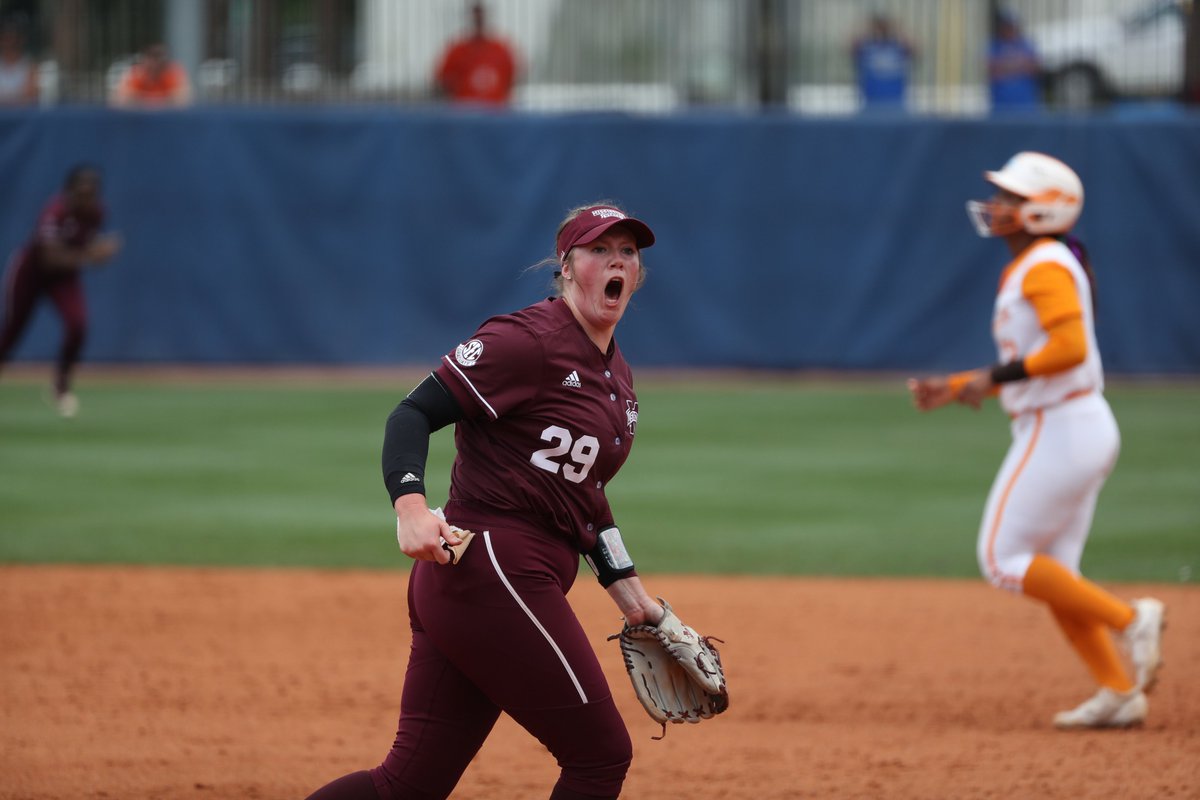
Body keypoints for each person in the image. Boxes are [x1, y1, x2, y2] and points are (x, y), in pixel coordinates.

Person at [304, 202, 718, 799]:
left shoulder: (616, 376)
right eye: (600, 250)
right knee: (600, 756)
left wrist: (637, 603)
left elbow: (587, 501)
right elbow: (413, 412)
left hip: (485, 584)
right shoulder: (526, 340)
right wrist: (411, 507)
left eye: (627, 252)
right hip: (492, 568)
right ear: (568, 266)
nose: (616, 262)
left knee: (408, 784)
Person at [907, 152, 1166, 729]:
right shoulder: (1040, 262)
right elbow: (1043, 362)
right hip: (1074, 423)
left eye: (1014, 197)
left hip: (1060, 427)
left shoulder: (1043, 263)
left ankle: (1131, 619)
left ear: (1046, 211)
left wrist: (989, 379)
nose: (999, 205)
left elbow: (1069, 351)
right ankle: (1120, 692)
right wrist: (954, 387)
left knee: (1001, 559)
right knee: (1055, 575)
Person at [0, 164, 122, 417]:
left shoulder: (97, 213)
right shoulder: (54, 212)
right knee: (12, 331)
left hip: (64, 278)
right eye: (81, 193)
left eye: (92, 194)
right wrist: (91, 255)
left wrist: (100, 254)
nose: (86, 199)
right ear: (68, 192)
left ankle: (61, 385)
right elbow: (49, 259)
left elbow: (84, 250)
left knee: (78, 324)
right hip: (30, 274)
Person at [433, 0, 518, 105]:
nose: (478, 21)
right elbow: (442, 80)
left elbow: (512, 80)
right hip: (465, 113)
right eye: (475, 17)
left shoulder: (501, 50)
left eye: (480, 17)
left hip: (495, 112)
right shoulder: (457, 51)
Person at [850, 12, 916, 110]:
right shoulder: (865, 47)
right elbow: (851, 47)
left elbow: (915, 50)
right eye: (879, 27)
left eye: (885, 27)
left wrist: (898, 29)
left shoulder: (899, 47)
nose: (882, 30)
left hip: (897, 103)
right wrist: (866, 28)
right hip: (870, 103)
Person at [987, 11, 1041, 112]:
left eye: (1011, 26)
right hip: (1001, 106)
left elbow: (1034, 67)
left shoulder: (1027, 44)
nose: (1009, 29)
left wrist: (1005, 65)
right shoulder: (994, 46)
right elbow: (993, 70)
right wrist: (1019, 65)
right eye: (1006, 26)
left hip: (1026, 106)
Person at [109, 42, 192, 108]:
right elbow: (121, 100)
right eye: (152, 56)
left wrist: (142, 100)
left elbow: (183, 100)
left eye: (160, 56)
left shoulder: (173, 73)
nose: (156, 62)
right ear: (144, 58)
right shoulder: (136, 74)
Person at [0, 17, 38, 106]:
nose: (9, 42)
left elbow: (31, 95)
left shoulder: (30, 66)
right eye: (5, 37)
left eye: (13, 37)